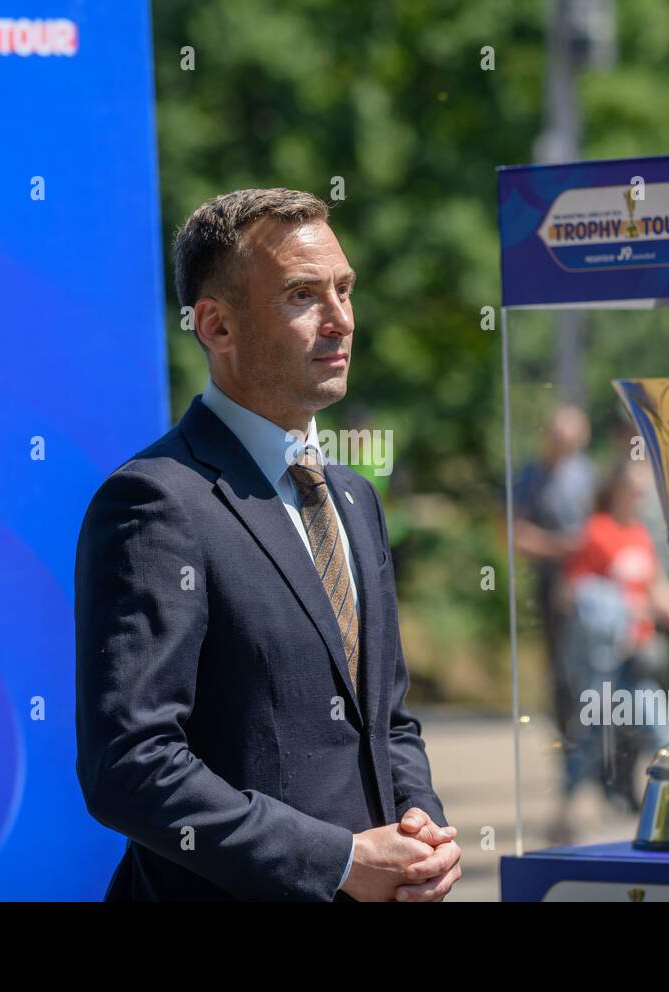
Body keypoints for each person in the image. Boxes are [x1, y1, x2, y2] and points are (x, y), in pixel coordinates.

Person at [74, 188, 460, 902]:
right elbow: (128, 766)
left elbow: (389, 721)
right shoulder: (156, 501)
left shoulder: (354, 497)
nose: (341, 319)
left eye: (345, 289)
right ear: (217, 327)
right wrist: (337, 861)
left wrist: (422, 829)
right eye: (302, 295)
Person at [560, 457, 669, 814]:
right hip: (604, 662)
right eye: (636, 488)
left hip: (636, 660)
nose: (642, 496)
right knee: (589, 738)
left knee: (662, 730)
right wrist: (621, 607)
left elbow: (659, 593)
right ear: (618, 489)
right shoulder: (595, 531)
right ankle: (564, 811)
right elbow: (567, 593)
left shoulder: (640, 535)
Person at [511, 406, 596, 797]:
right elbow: (513, 534)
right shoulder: (528, 477)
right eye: (561, 442)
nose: (566, 450)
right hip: (551, 591)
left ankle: (605, 763)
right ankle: (572, 762)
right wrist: (560, 549)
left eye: (574, 443)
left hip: (594, 589)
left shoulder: (587, 474)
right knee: (563, 679)